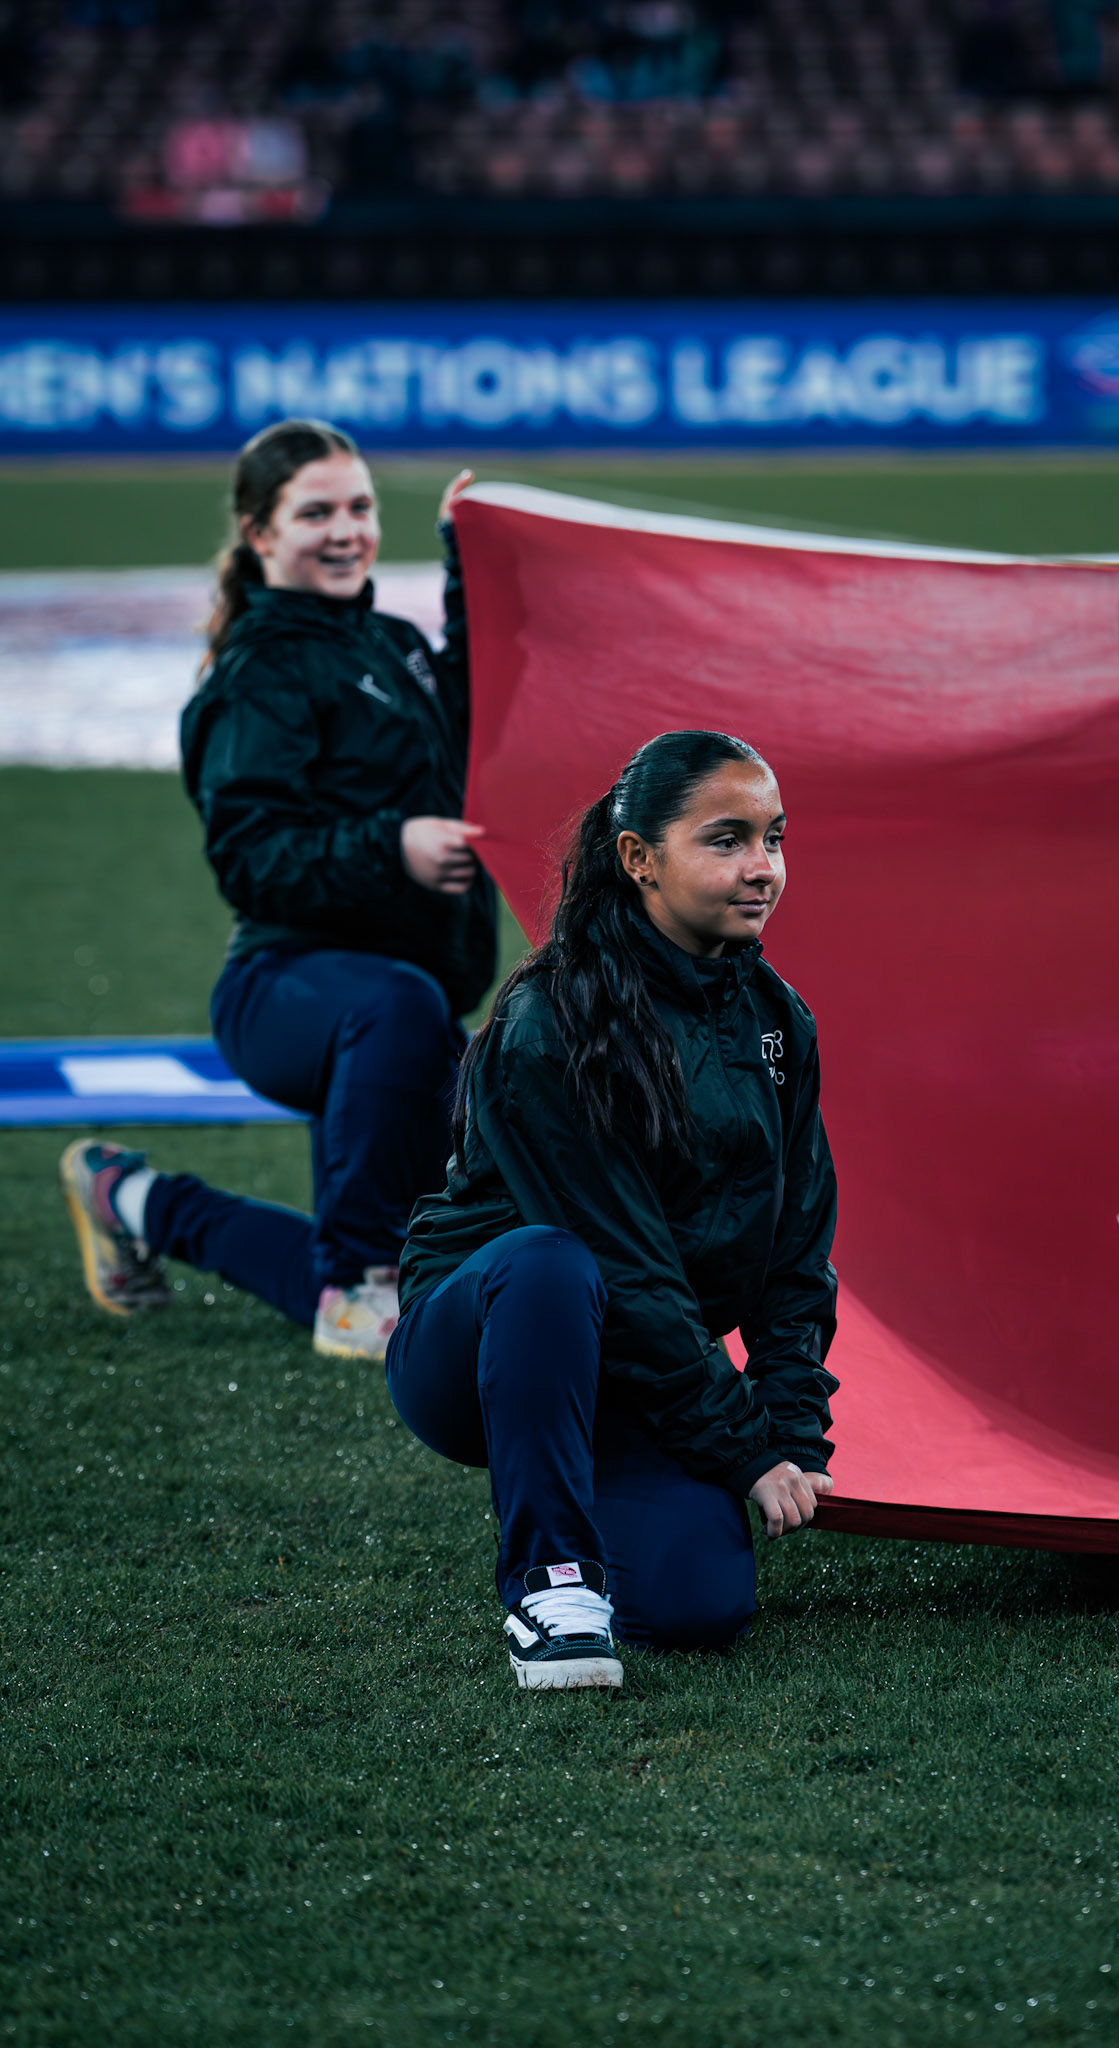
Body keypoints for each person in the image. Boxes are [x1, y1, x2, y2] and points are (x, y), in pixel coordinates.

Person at [390, 729, 839, 1690]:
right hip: (474, 1357)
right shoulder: (550, 1019)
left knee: (698, 1608)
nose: (762, 868)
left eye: (775, 838)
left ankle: (583, 1489)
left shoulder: (777, 1018)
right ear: (639, 859)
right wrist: (742, 1445)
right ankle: (550, 1585)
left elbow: (798, 1245)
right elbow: (622, 1263)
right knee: (551, 1259)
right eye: (725, 840)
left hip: (633, 1372)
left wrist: (792, 1427)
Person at [60, 418, 498, 1360]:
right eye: (316, 513)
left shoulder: (388, 640)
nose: (346, 530)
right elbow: (250, 858)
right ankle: (355, 1286)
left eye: (361, 507)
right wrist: (396, 845)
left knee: (456, 1261)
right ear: (261, 533)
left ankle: (130, 1197)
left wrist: (474, 566)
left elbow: (481, 712)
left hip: (403, 1009)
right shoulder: (259, 670)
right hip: (291, 991)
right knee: (380, 1266)